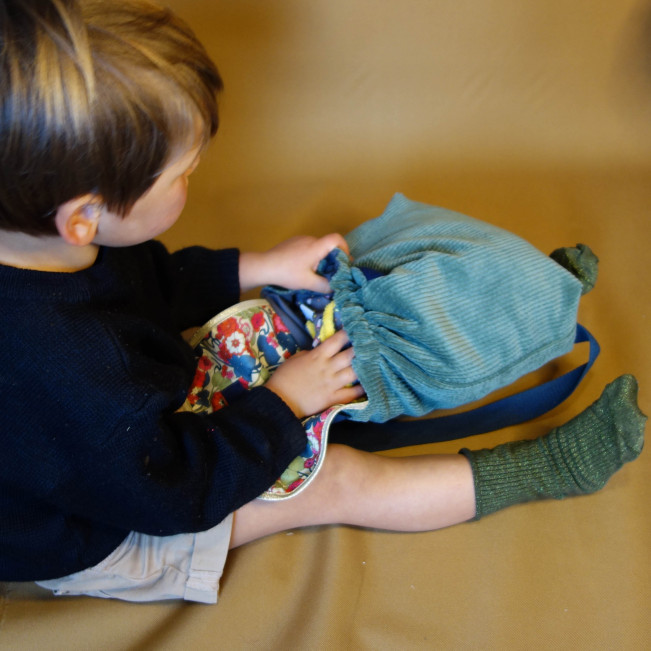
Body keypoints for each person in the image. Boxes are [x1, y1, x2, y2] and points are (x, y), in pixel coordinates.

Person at [0, 0, 645, 604]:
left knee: (315, 347)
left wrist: (261, 266)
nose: (194, 179)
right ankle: (546, 468)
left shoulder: (50, 245)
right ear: (84, 218)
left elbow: (150, 279)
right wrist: (284, 403)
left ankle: (522, 300)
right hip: (112, 523)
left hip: (125, 439)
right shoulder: (67, 370)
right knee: (336, 479)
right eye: (184, 174)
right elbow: (177, 487)